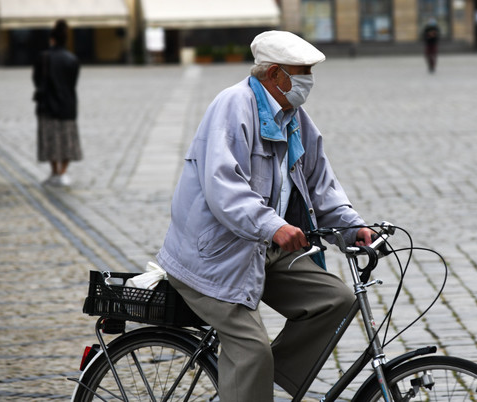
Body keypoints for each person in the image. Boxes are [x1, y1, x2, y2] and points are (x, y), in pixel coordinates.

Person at [156, 30, 373, 401]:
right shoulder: (234, 105)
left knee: (336, 301)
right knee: (251, 348)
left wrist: (353, 228)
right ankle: (251, 376)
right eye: (301, 71)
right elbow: (223, 186)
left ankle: (261, 384)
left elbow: (321, 185)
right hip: (212, 255)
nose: (308, 80)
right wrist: (274, 225)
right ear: (274, 74)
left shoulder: (294, 118)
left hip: (259, 247)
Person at [33, 19, 82, 187]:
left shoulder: (43, 57)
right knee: (68, 141)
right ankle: (63, 173)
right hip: (68, 104)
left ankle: (55, 172)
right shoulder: (72, 59)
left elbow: (37, 80)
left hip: (47, 105)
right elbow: (73, 82)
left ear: (52, 39)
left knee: (50, 140)